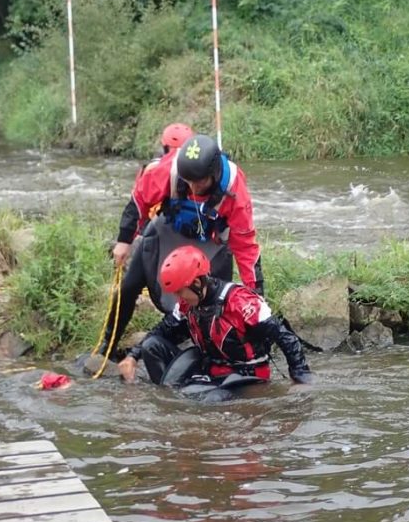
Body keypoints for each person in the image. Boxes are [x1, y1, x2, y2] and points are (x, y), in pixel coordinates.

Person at [117, 245, 312, 401]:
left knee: (211, 400)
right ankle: (168, 397)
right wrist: (133, 356)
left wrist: (301, 379)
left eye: (179, 291)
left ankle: (185, 400)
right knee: (151, 346)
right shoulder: (187, 304)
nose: (177, 297)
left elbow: (285, 337)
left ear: (197, 283)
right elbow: (161, 331)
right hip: (210, 369)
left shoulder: (241, 302)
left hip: (246, 375)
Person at [95, 122, 195, 358]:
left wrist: (125, 240)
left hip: (167, 237)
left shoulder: (156, 168)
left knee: (132, 288)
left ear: (164, 146)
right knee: (148, 289)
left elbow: (136, 205)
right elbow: (138, 203)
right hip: (168, 235)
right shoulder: (166, 169)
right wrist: (126, 240)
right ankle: (110, 347)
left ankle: (110, 346)